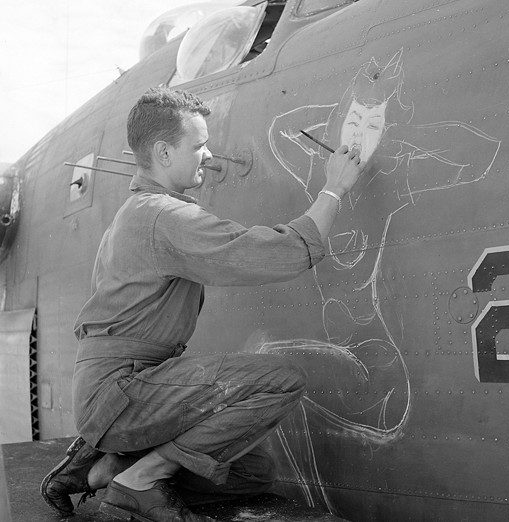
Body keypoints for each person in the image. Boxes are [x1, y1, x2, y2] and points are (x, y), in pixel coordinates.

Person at [40, 87, 363, 522]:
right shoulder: (160, 216)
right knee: (280, 380)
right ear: (163, 153)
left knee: (251, 475)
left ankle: (107, 467)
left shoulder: (141, 212)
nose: (208, 155)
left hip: (127, 389)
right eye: (198, 145)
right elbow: (270, 253)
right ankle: (142, 478)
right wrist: (335, 189)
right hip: (121, 390)